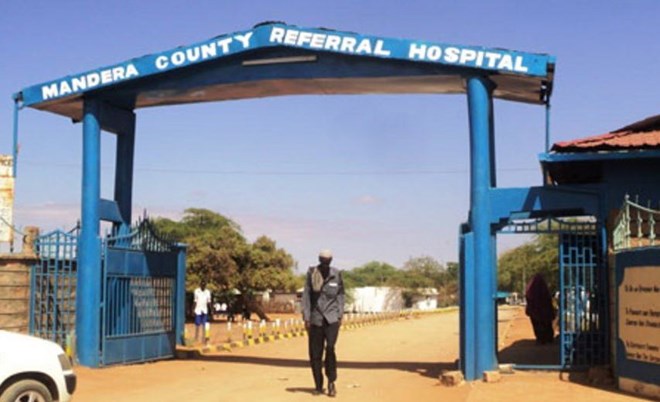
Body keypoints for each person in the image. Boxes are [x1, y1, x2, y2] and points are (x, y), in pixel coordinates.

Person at [302, 249, 344, 397]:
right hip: (316, 319)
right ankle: (318, 385)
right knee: (315, 354)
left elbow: (341, 295)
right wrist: (306, 317)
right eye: (323, 260)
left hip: (332, 319)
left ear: (331, 261)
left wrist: (340, 314)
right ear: (319, 259)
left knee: (330, 349)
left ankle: (331, 382)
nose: (325, 263)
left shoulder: (336, 274)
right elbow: (306, 296)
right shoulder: (312, 273)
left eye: (328, 261)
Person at [525, 273, 555, 344]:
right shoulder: (544, 288)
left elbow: (528, 297)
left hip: (535, 311)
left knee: (537, 325)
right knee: (546, 324)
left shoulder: (531, 289)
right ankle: (548, 338)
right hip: (545, 311)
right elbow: (548, 299)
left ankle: (540, 339)